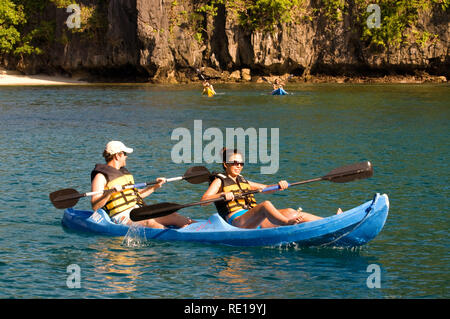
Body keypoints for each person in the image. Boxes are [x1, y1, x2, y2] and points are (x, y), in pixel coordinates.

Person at [201, 148, 342, 229]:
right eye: (234, 163)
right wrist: (223, 195)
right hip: (238, 222)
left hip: (255, 220)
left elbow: (266, 188)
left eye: (241, 163)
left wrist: (279, 185)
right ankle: (287, 224)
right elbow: (204, 201)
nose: (238, 166)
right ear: (226, 164)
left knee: (291, 211)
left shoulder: (243, 180)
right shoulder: (219, 182)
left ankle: (331, 222)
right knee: (265, 205)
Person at [90, 141, 193, 229]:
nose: (126, 157)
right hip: (121, 216)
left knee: (173, 215)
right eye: (125, 154)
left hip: (138, 211)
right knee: (150, 223)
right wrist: (109, 193)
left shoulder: (124, 173)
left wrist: (155, 186)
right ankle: (177, 235)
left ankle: (202, 227)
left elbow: (136, 195)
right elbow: (95, 206)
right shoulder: (100, 176)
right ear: (117, 155)